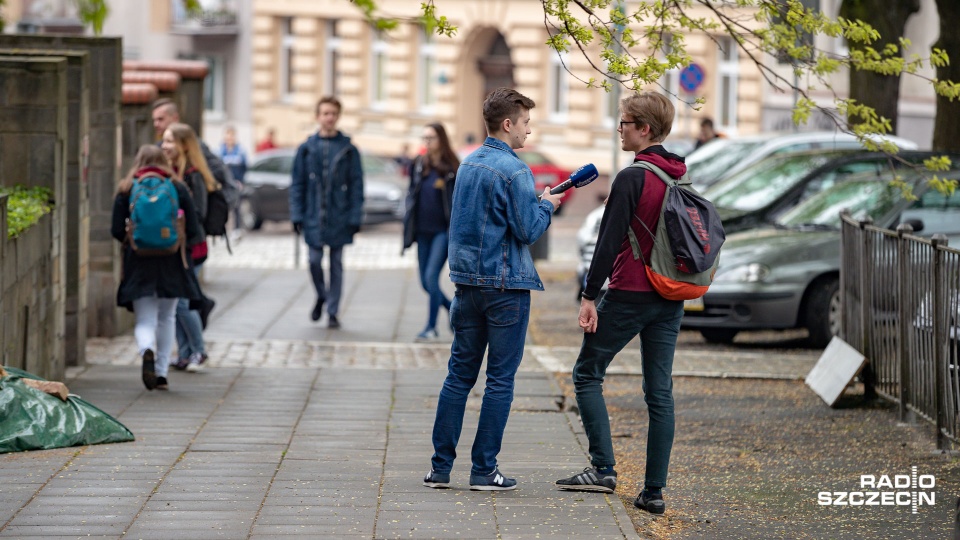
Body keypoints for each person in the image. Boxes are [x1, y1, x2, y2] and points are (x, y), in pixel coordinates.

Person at [423, 88, 562, 491]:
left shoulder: (468, 166)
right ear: (508, 123)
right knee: (500, 379)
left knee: (458, 376)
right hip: (505, 287)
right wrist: (547, 206)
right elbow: (528, 230)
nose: (528, 131)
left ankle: (440, 468)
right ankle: (484, 470)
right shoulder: (515, 171)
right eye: (525, 123)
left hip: (466, 286)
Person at [554, 92, 686, 516]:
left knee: (587, 373)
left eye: (625, 121)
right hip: (669, 294)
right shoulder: (677, 174)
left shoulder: (633, 178)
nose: (619, 127)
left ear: (644, 128)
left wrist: (589, 295)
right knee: (659, 391)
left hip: (630, 291)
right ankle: (653, 492)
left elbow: (608, 242)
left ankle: (602, 468)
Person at [111, 145, 204, 391]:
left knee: (145, 319)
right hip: (171, 261)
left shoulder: (127, 188)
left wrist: (134, 240)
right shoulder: (177, 187)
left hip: (138, 262)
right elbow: (194, 229)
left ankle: (146, 349)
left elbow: (115, 231)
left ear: (138, 161)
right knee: (167, 317)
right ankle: (161, 373)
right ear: (164, 161)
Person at [289, 96, 364, 329]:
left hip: (339, 215)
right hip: (313, 215)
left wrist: (355, 216)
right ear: (318, 116)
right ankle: (321, 295)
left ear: (338, 116)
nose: (329, 117)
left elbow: (357, 186)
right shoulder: (306, 149)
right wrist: (296, 214)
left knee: (336, 264)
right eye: (325, 113)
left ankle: (332, 310)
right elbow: (297, 184)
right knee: (313, 261)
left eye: (333, 113)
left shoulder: (348, 150)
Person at [162, 122, 218, 373]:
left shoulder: (193, 174)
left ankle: (199, 350)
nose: (164, 146)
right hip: (172, 249)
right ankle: (184, 353)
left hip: (192, 251)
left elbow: (199, 214)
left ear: (184, 145)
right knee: (175, 303)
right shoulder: (165, 171)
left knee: (182, 303)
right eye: (163, 141)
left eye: (170, 141)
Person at [401, 123, 459, 342]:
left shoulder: (452, 167)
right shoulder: (419, 164)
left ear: (441, 140)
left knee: (431, 278)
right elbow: (411, 194)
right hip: (421, 231)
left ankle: (430, 327)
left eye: (431, 138)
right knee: (425, 283)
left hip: (442, 232)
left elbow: (456, 202)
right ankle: (456, 312)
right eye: (424, 138)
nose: (427, 142)